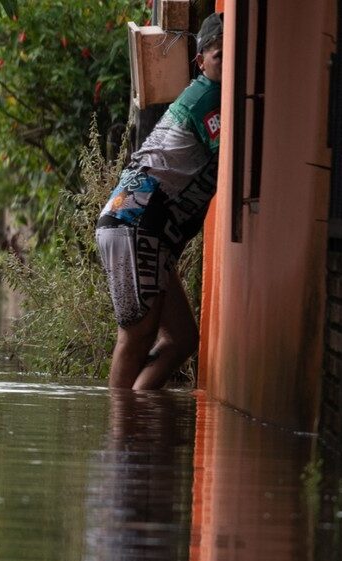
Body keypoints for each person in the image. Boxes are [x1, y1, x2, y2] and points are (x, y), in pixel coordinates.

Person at [95, 13, 223, 389]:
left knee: (181, 339)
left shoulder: (211, 92)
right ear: (201, 61)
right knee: (136, 336)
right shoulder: (210, 97)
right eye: (220, 55)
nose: (230, 65)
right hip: (136, 222)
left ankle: (137, 417)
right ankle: (121, 431)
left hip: (136, 224)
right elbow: (229, 151)